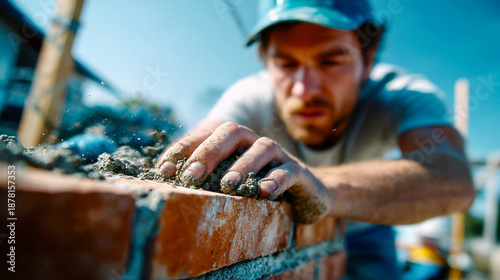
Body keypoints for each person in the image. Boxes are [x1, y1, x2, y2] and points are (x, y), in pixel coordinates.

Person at [156, 0, 475, 279]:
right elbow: (202, 143)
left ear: (368, 59)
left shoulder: (403, 94)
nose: (304, 90)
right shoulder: (250, 95)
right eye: (286, 63)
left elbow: (453, 179)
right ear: (266, 60)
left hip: (369, 225)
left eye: (331, 61)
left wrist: (322, 186)